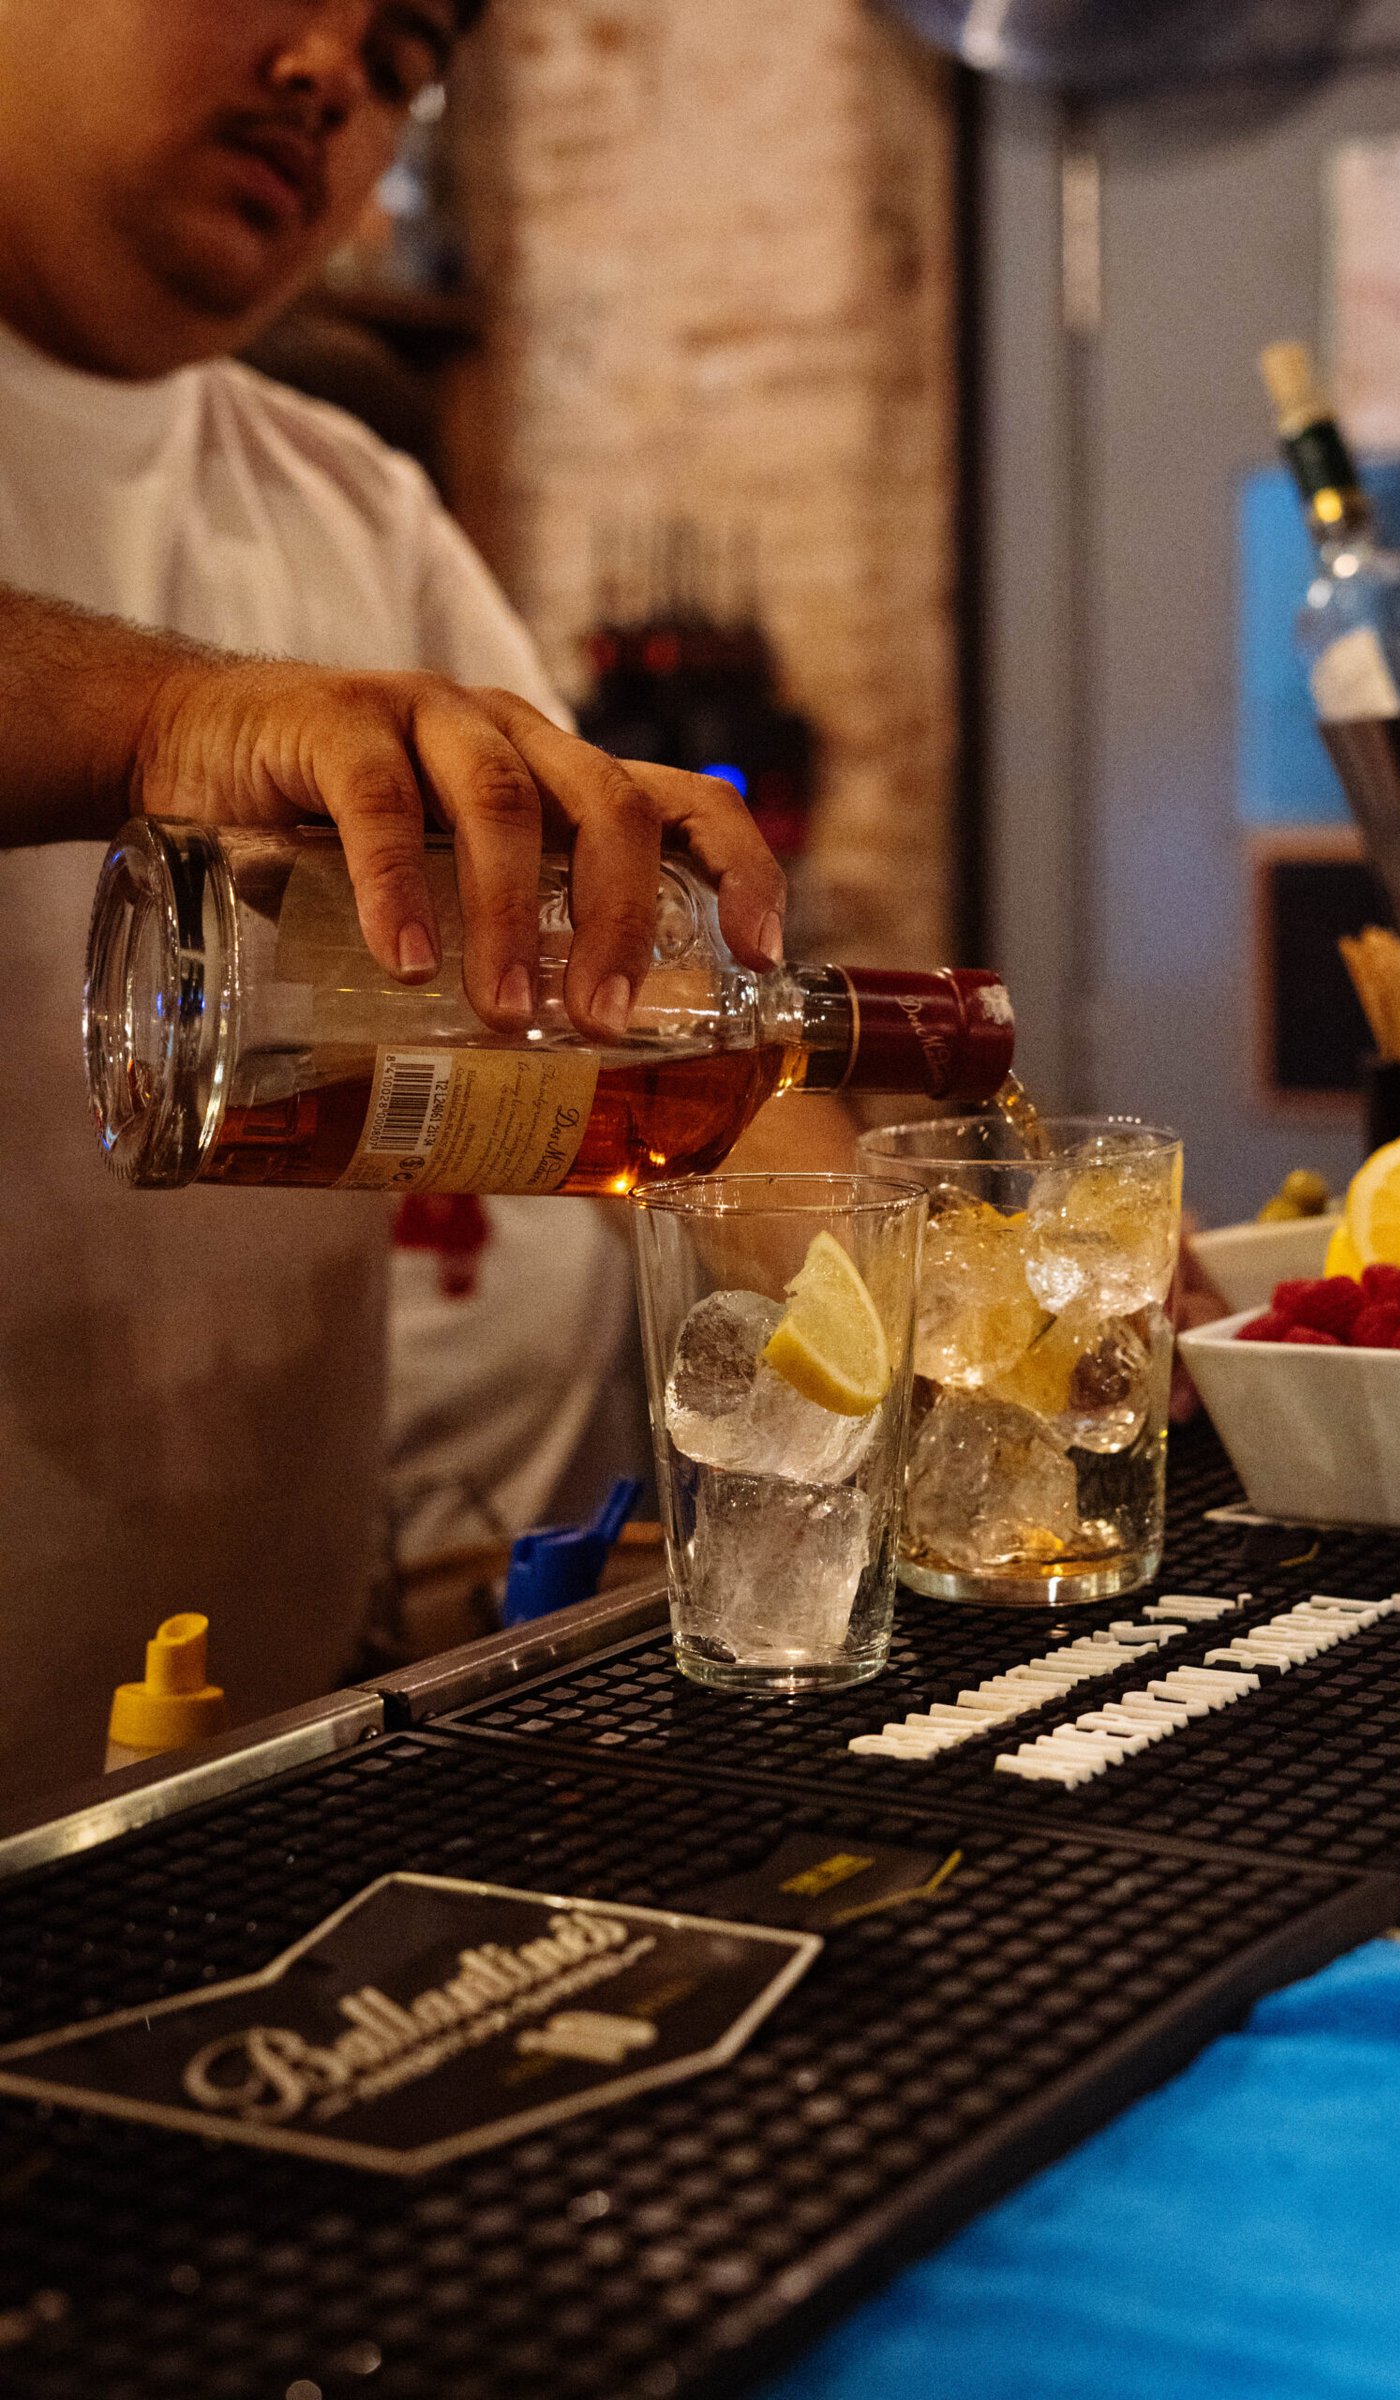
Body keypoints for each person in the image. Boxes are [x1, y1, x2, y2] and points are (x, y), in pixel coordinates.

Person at [0, 2, 785, 1801]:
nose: (329, 74)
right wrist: (170, 714)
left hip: (236, 1775)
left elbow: (636, 991)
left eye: (404, 52)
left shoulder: (355, 502)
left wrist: (939, 1293)